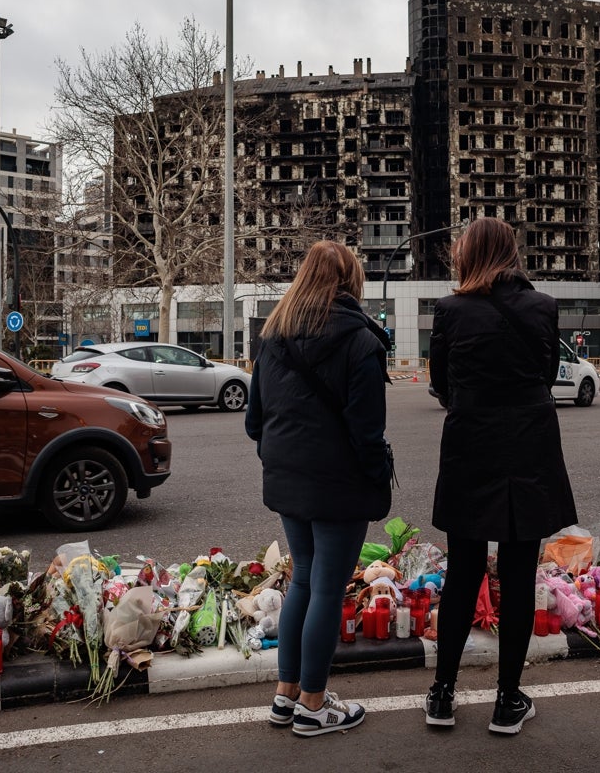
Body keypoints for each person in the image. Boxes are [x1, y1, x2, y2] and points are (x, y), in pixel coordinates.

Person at [423, 216, 577, 735]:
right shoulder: (543, 307)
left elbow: (438, 383)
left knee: (463, 571)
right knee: (517, 575)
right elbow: (546, 369)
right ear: (510, 253)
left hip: (471, 445)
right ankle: (507, 699)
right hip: (530, 446)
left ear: (469, 254)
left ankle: (442, 693)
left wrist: (470, 401)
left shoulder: (449, 310)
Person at [245, 240, 392, 738]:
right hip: (339, 482)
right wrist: (378, 476)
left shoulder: (272, 337)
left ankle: (286, 696)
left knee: (303, 580)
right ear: (352, 281)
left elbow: (254, 421)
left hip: (288, 478)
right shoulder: (362, 340)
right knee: (327, 587)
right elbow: (368, 432)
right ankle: (313, 703)